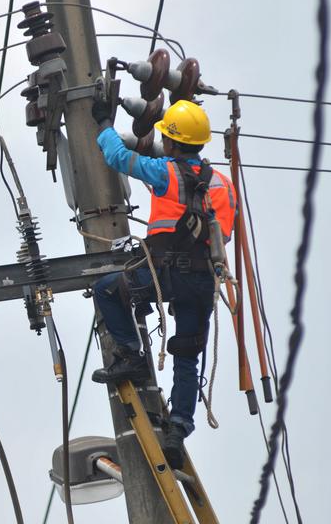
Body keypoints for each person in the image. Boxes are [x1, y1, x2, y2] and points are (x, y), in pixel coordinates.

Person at [88, 98, 237, 468]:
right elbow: (226, 234)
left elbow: (119, 158)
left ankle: (131, 355)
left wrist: (104, 124)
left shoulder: (166, 171)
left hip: (165, 276)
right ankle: (179, 426)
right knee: (187, 356)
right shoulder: (223, 184)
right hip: (203, 282)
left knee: (108, 289)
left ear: (170, 142)